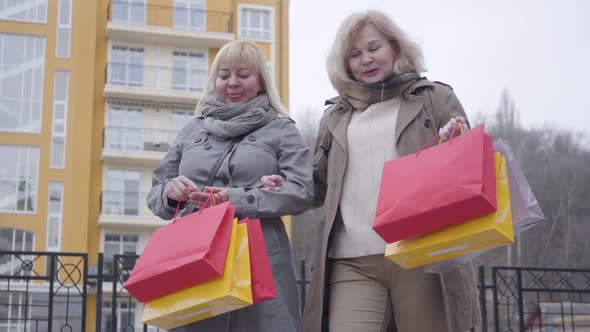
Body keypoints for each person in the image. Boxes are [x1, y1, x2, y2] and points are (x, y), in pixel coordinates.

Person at [297, 10, 481, 332]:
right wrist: (284, 180)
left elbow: (468, 168)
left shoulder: (435, 98)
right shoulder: (334, 116)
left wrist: (456, 139)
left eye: (373, 48)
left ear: (395, 48)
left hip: (420, 253)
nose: (365, 59)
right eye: (355, 54)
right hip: (350, 261)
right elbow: (319, 185)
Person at [146, 40, 313, 332]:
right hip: (196, 254)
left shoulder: (282, 129)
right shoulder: (192, 129)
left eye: (243, 75)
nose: (232, 83)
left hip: (261, 254)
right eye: (224, 75)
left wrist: (235, 198)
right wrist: (170, 193)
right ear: (215, 81)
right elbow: (156, 193)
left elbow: (301, 190)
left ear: (260, 81)